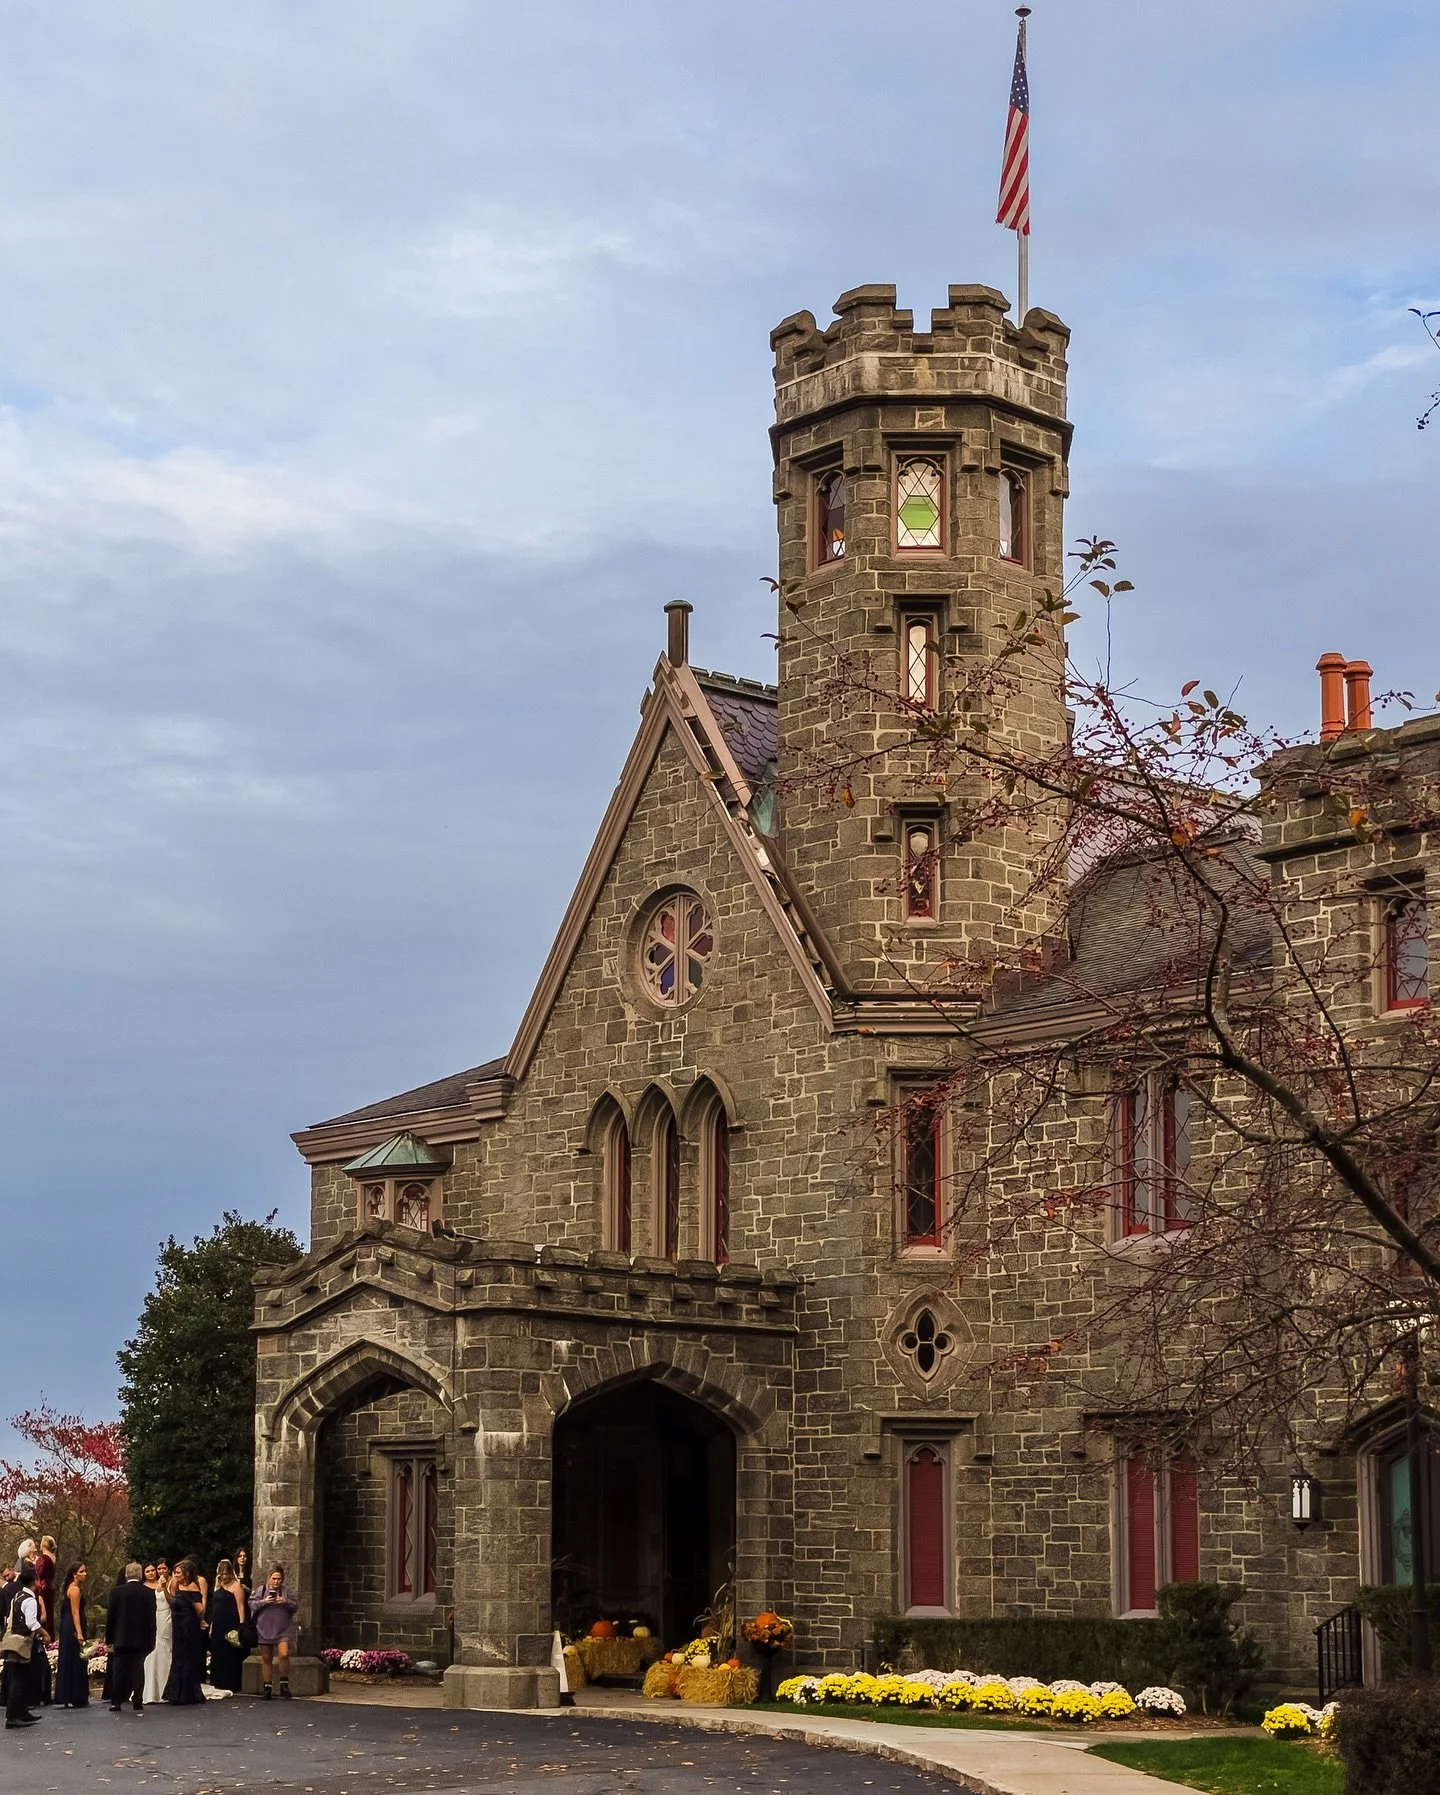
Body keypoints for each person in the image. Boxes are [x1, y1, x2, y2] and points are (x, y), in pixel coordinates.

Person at [104, 1563, 156, 1715]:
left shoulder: (116, 1592)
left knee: (119, 1670)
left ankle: (116, 1701)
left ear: (126, 1575)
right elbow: (151, 1619)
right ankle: (138, 1700)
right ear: (140, 1575)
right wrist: (152, 1638)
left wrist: (109, 1639)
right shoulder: (148, 1593)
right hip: (141, 1638)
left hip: (121, 1637)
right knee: (138, 1669)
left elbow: (111, 1617)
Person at [248, 1566, 297, 1699]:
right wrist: (264, 1601)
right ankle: (267, 1687)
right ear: (269, 1578)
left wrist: (285, 1601)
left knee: (284, 1654)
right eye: (274, 1578)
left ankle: (284, 1685)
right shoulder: (261, 1590)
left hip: (282, 1628)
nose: (276, 1582)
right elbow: (251, 1604)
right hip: (264, 1628)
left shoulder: (287, 1592)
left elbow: (295, 1607)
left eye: (279, 1579)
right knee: (267, 1658)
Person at [2, 1563, 42, 1728]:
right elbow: (31, 1623)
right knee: (19, 1680)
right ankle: (13, 1716)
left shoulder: (17, 1596)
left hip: (12, 1640)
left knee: (19, 1678)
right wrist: (45, 1634)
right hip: (21, 1642)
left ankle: (22, 1711)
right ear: (35, 1580)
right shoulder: (30, 1600)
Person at [162, 1561, 205, 1704]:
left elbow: (200, 1609)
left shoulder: (192, 1587)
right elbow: (172, 1601)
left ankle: (188, 1693)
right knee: (177, 1656)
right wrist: (164, 1589)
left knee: (187, 1657)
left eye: (179, 1572)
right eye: (175, 1572)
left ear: (186, 1573)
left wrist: (200, 1620)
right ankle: (175, 1692)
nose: (176, 1575)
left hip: (188, 1624)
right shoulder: (176, 1584)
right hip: (177, 1624)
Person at [207, 1559, 246, 1694]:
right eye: (222, 1574)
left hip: (231, 1622)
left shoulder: (236, 1586)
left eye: (226, 1574)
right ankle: (218, 1681)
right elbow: (214, 1608)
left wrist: (241, 1625)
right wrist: (212, 1625)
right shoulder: (217, 1586)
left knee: (230, 1652)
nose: (224, 1577)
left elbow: (240, 1605)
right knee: (217, 1652)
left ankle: (231, 1682)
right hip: (218, 1623)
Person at [53, 1564, 89, 1708]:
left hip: (67, 1625)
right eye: (82, 1571)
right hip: (73, 1626)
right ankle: (75, 1694)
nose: (85, 1574)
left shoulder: (70, 1588)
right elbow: (75, 1612)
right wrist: (79, 1632)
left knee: (71, 1658)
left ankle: (69, 1694)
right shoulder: (74, 1590)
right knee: (75, 1658)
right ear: (74, 1574)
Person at [141, 1564, 172, 1706]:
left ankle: (165, 1686)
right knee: (152, 1652)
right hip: (152, 1618)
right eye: (148, 1571)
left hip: (165, 1617)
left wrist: (164, 1587)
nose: (152, 1573)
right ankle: (150, 1689)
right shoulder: (143, 1587)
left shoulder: (167, 1583)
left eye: (153, 1570)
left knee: (165, 1648)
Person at [31, 1538, 56, 1708]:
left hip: (44, 1589)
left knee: (43, 1614)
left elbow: (37, 1574)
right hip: (50, 1588)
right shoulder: (52, 1558)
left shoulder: (43, 1559)